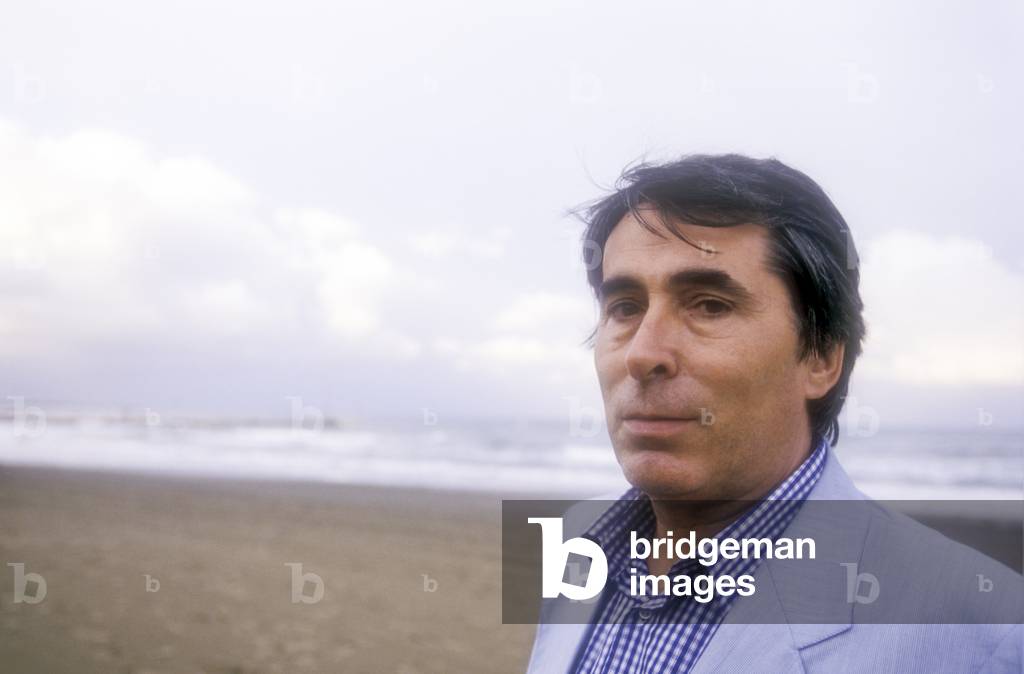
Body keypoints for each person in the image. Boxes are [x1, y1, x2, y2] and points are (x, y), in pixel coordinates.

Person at [523, 154, 1022, 673]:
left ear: (822, 355)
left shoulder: (986, 634)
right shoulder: (581, 539)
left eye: (709, 305)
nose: (643, 354)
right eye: (625, 307)